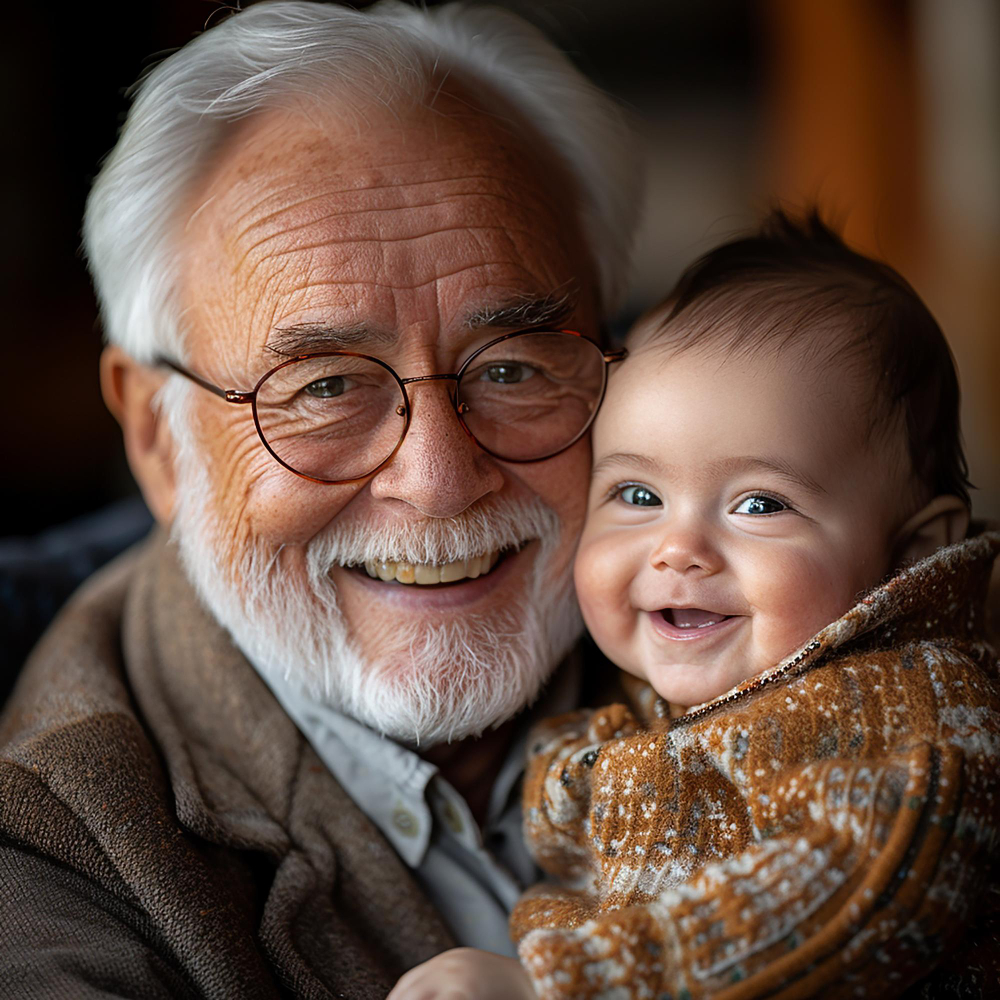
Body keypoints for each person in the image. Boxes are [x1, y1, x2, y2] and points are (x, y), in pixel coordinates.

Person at [0, 3, 642, 997]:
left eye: (511, 368)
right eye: (325, 387)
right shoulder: (50, 867)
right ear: (156, 436)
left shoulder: (806, 610)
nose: (437, 480)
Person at [389, 213, 1000, 999]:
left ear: (910, 553)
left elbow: (864, 880)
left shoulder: (909, 707)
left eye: (759, 505)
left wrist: (559, 985)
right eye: (638, 494)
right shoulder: (621, 700)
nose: (679, 549)